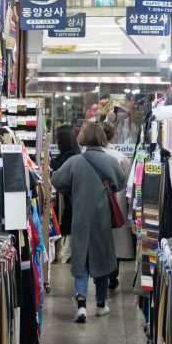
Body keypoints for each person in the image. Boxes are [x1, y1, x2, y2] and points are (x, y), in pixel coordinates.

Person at [50, 122, 126, 323]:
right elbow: (120, 183)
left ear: (82, 137)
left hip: (80, 217)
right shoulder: (110, 161)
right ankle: (101, 304)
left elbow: (56, 181)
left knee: (81, 259)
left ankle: (82, 304)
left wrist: (72, 189)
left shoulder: (75, 161)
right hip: (102, 218)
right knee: (101, 258)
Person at [100, 121, 131, 292]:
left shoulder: (88, 156)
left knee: (100, 240)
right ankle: (113, 275)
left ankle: (101, 276)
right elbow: (127, 184)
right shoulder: (121, 157)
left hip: (97, 203)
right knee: (115, 241)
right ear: (113, 136)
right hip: (117, 203)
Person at [51, 125, 80, 264]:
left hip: (67, 201)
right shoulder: (75, 155)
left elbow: (59, 177)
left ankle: (65, 254)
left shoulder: (69, 158)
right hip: (72, 201)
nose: (56, 142)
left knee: (67, 228)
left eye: (58, 139)